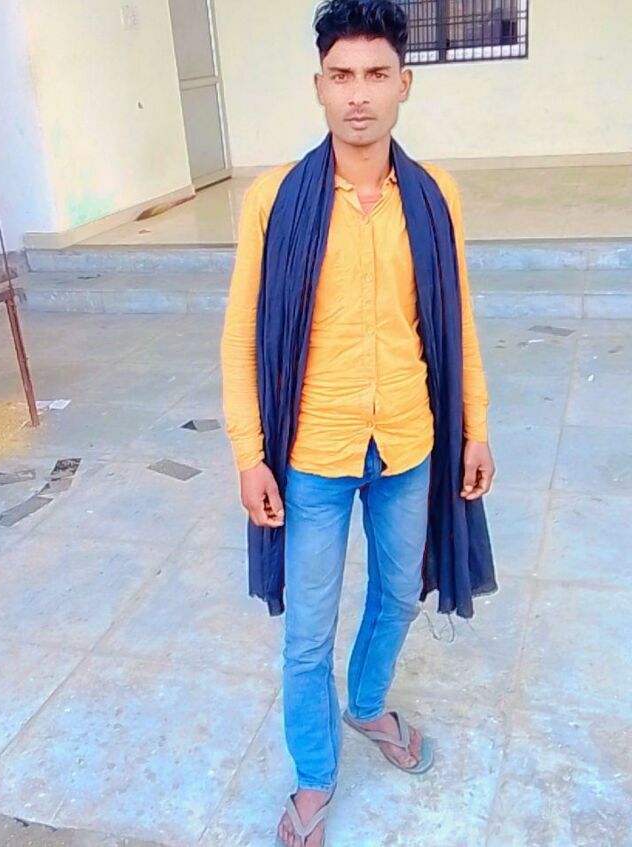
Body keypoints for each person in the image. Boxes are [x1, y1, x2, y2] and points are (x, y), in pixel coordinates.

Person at [220, 1, 496, 844]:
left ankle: (368, 703)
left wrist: (476, 426)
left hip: (409, 439)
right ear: (319, 86)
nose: (359, 94)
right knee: (308, 632)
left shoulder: (434, 196)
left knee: (399, 595)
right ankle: (315, 773)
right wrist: (249, 453)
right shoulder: (275, 200)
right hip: (313, 451)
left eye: (377, 74)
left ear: (404, 83)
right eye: (341, 75)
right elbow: (240, 335)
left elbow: (457, 321)